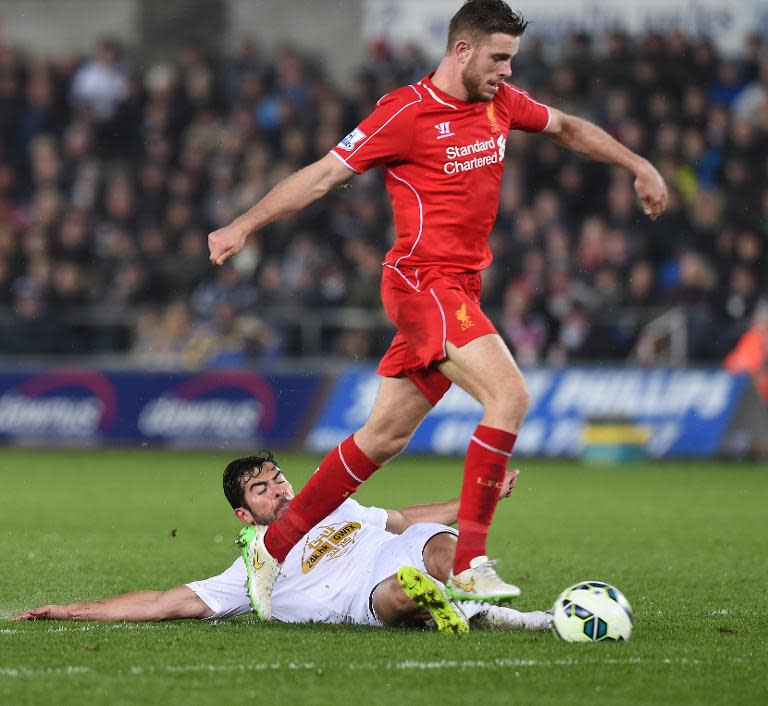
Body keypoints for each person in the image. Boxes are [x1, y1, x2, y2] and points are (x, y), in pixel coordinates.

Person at [207, 0, 668, 619]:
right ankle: (472, 563)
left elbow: (567, 128)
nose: (506, 71)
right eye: (498, 58)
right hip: (422, 281)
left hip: (460, 289)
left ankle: (275, 548)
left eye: (511, 60)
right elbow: (321, 176)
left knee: (383, 436)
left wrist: (637, 164)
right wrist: (244, 223)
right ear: (462, 51)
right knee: (510, 396)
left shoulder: (500, 103)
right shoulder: (405, 111)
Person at [11, 453, 551, 634]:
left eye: (278, 477)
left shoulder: (332, 502)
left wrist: (476, 501)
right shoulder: (254, 567)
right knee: (395, 597)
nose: (279, 488)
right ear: (245, 513)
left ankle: (457, 586)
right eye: (261, 488)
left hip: (392, 551)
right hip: (360, 595)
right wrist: (67, 609)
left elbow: (401, 517)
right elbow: (162, 602)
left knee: (435, 544)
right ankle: (466, 607)